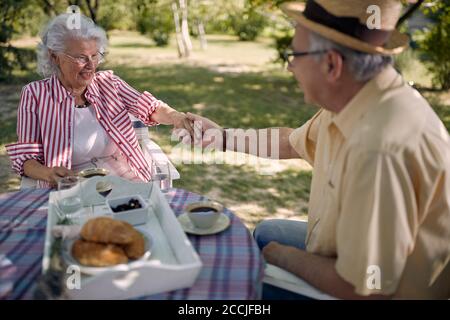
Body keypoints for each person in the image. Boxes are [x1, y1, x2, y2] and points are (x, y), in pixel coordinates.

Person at [185, 0, 450, 299]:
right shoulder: (360, 99)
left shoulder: (378, 148)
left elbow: (365, 288)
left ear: (332, 64)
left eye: (295, 54)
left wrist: (282, 256)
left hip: (376, 290)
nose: (290, 65)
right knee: (266, 233)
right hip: (347, 256)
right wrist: (221, 137)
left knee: (241, 278)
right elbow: (291, 142)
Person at [6, 13, 193, 188]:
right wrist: (49, 174)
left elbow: (150, 108)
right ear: (54, 57)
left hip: (125, 180)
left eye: (95, 56)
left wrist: (176, 117)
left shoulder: (109, 83)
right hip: (72, 188)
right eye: (80, 57)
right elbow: (27, 159)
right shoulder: (35, 94)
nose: (90, 66)